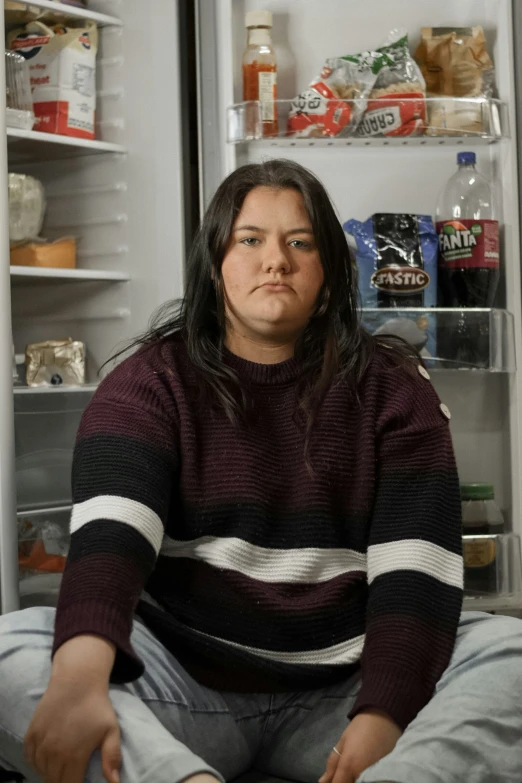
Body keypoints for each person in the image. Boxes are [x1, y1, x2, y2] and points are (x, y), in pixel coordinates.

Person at [0, 159, 521, 783]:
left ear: (329, 274)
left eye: (300, 243)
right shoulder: (147, 384)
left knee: (507, 652)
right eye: (250, 241)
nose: (276, 260)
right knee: (19, 645)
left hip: (344, 691)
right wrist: (79, 680)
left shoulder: (392, 390)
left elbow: (417, 574)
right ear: (215, 265)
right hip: (185, 686)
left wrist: (384, 714)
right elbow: (112, 540)